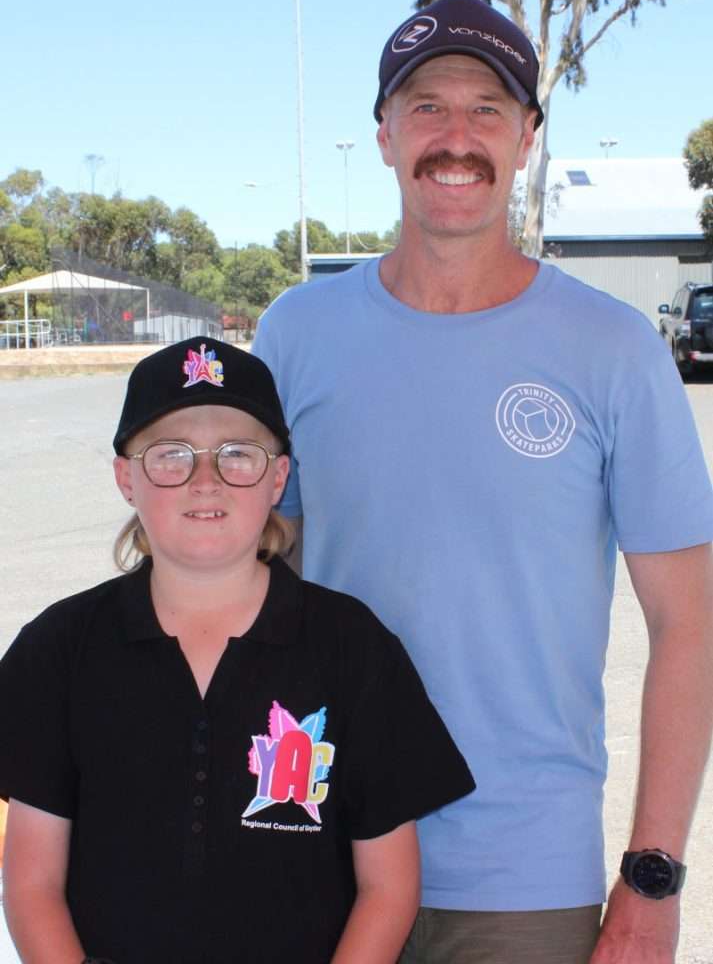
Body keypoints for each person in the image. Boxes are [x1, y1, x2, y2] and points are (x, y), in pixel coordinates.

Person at [252, 0, 713, 964]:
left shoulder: (612, 348)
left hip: (521, 879)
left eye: (485, 109)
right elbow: (247, 581)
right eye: (424, 106)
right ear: (382, 134)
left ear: (526, 137)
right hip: (315, 855)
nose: (453, 136)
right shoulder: (297, 332)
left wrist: (650, 879)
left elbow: (689, 621)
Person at [0, 337, 475, 964]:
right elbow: (31, 883)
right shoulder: (57, 649)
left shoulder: (351, 646)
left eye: (237, 455)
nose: (206, 481)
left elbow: (388, 886)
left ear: (278, 477)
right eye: (171, 455)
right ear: (126, 478)